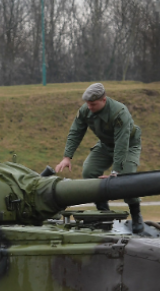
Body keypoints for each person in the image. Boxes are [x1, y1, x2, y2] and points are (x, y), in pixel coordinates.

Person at [54, 83, 144, 233]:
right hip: (105, 145)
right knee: (89, 172)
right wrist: (67, 157)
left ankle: (136, 214)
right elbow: (76, 131)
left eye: (93, 104)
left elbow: (122, 144)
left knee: (126, 178)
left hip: (127, 145)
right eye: (87, 103)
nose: (89, 107)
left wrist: (116, 171)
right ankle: (104, 212)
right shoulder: (85, 110)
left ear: (104, 100)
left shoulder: (119, 112)